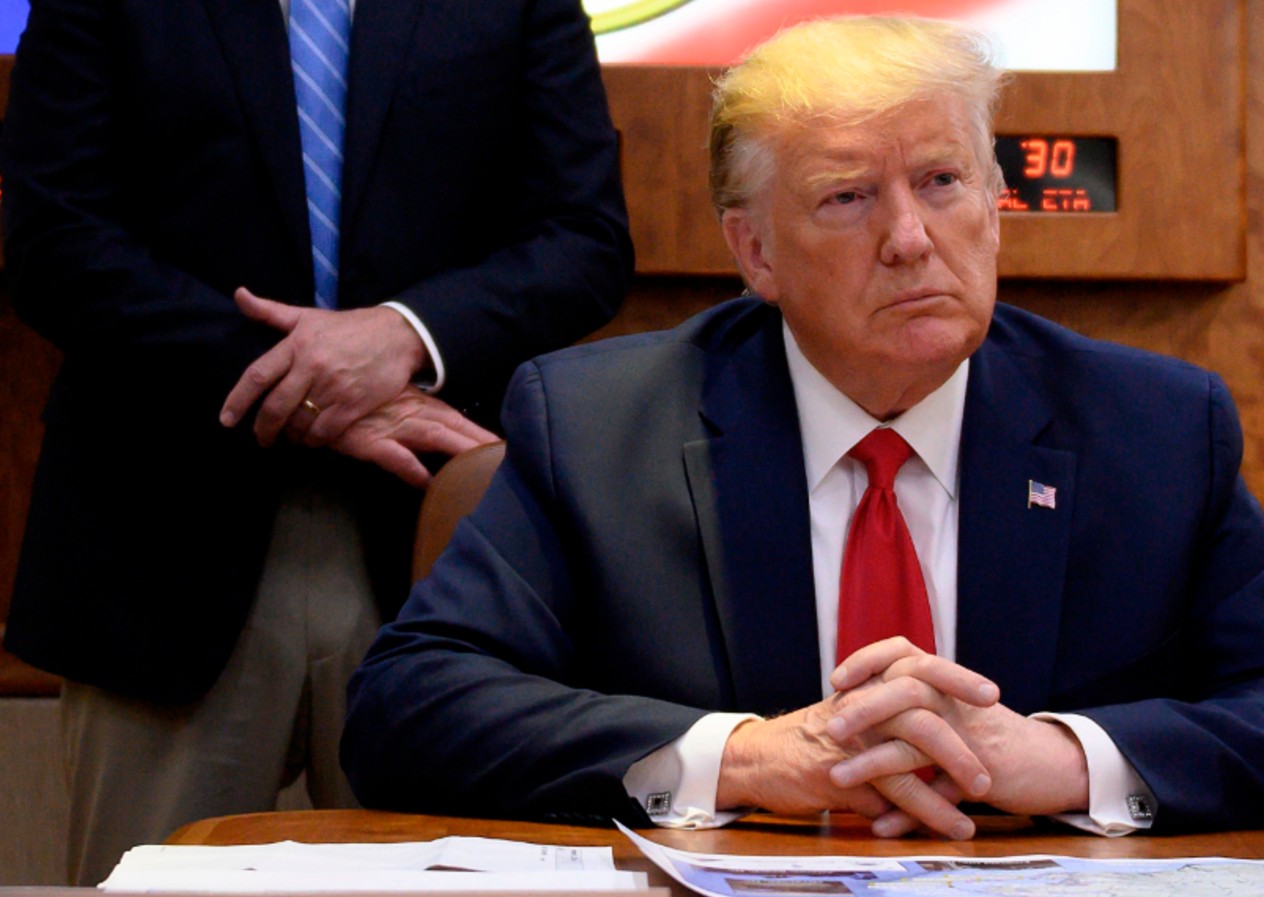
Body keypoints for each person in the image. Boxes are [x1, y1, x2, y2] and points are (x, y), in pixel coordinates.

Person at [343, 15, 1264, 839]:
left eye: (942, 181)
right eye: (848, 197)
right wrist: (748, 761)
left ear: (994, 205)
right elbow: (408, 708)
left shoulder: (1158, 432)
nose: (909, 237)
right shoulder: (597, 428)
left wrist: (1063, 760)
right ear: (755, 252)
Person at [0, 0, 635, 883]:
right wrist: (312, 379)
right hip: (164, 542)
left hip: (439, 549)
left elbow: (585, 239)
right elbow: (55, 243)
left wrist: (408, 336)